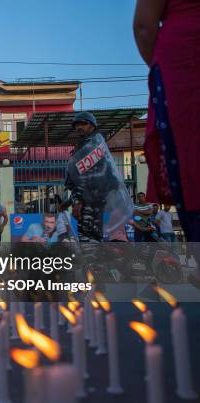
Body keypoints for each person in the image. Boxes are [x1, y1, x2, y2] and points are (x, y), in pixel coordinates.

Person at [133, 1, 200, 285]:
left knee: (190, 164)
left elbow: (144, 26)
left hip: (181, 67)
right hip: (183, 66)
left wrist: (166, 65)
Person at [63, 112, 126, 242]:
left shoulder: (92, 145)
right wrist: (70, 201)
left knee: (88, 237)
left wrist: (78, 201)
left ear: (92, 126)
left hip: (90, 200)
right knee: (92, 235)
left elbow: (89, 177)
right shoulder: (86, 145)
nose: (79, 127)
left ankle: (94, 261)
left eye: (83, 123)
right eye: (76, 125)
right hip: (91, 199)